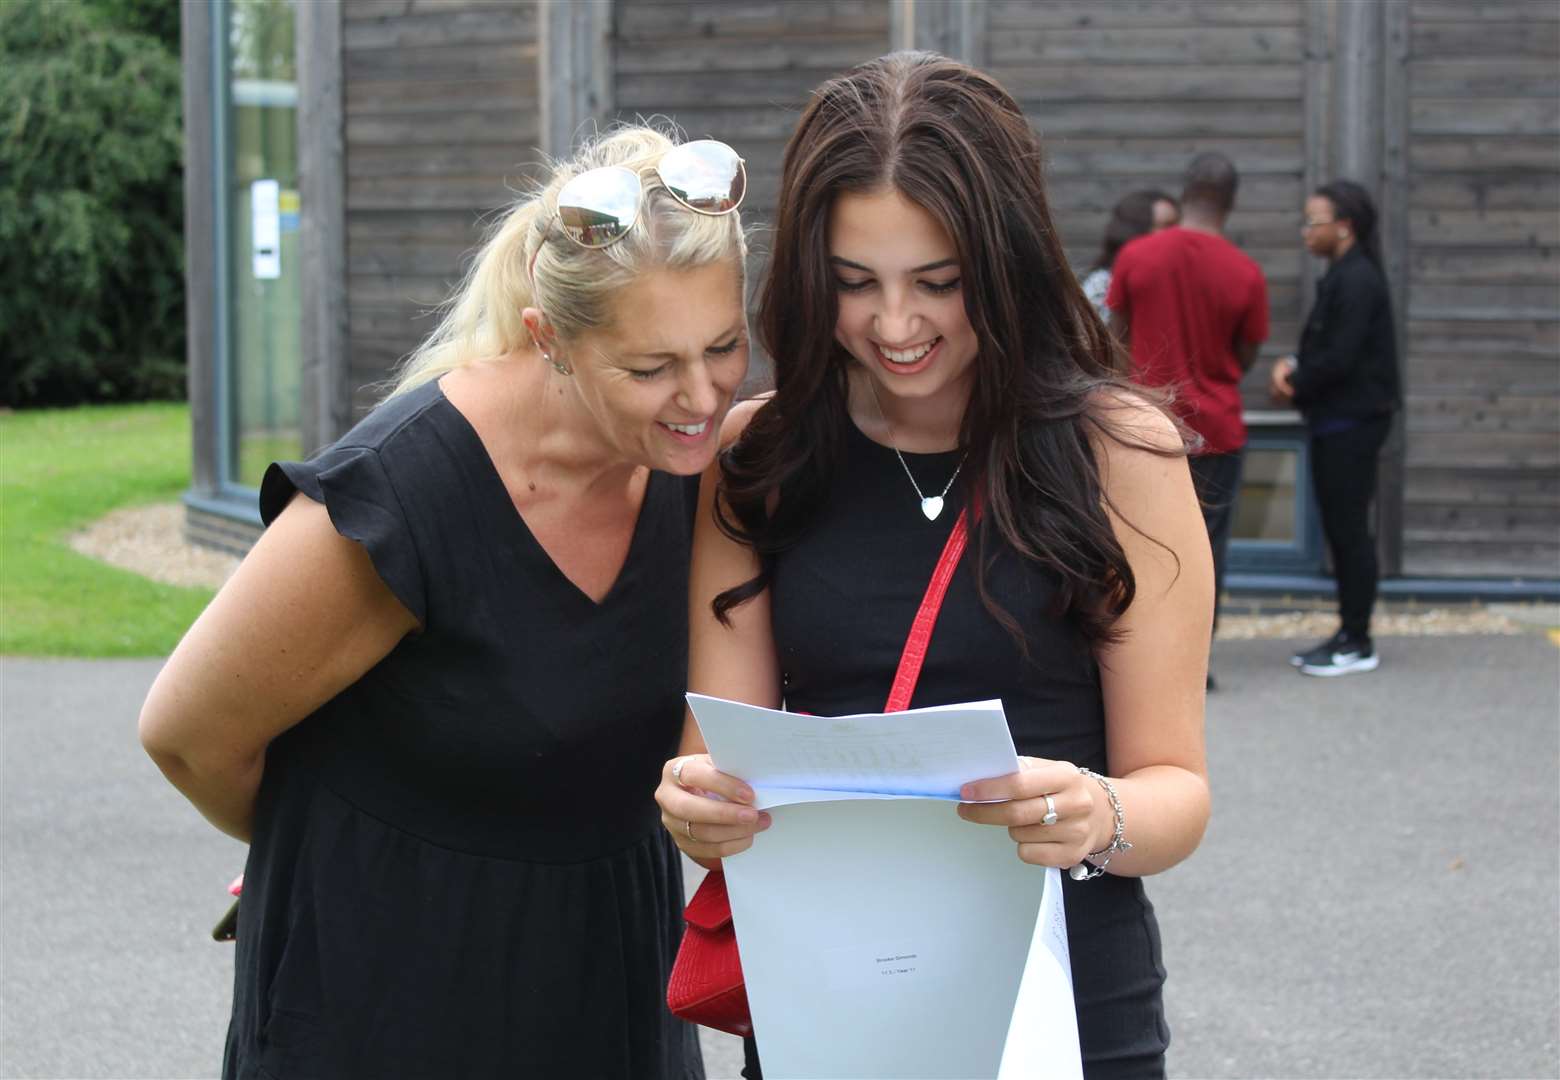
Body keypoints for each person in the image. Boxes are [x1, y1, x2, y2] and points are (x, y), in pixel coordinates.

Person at [138, 127, 752, 1078]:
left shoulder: (699, 469)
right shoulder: (405, 491)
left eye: (724, 346)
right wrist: (340, 849)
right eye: (650, 368)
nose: (701, 395)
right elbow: (186, 733)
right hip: (384, 993)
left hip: (607, 985)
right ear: (550, 342)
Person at [655, 52, 1212, 1079]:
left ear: (1006, 266)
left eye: (939, 284)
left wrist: (1097, 812)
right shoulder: (757, 458)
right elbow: (711, 763)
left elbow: (1176, 791)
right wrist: (697, 805)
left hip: (1063, 997)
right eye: (855, 284)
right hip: (826, 1000)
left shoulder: (1120, 453)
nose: (896, 326)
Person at [1106, 152, 1269, 687]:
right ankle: (1194, 666)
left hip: (1143, 422)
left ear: (1187, 192)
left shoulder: (1137, 255)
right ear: (1230, 202)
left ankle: (1132, 657)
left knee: (1136, 539)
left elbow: (1118, 332)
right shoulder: (1245, 271)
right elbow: (1245, 356)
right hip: (1217, 427)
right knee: (1208, 549)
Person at [1271, 180, 1401, 676]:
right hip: (1338, 421)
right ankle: (1349, 633)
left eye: (1313, 221)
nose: (1306, 231)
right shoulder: (1346, 277)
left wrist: (1295, 381)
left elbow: (1341, 359)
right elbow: (1331, 350)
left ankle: (1357, 640)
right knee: (1343, 529)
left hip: (1351, 422)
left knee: (1349, 532)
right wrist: (1295, 365)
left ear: (1343, 227)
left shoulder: (1357, 280)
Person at [1080, 189, 1180, 323]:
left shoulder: (1178, 280)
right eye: (1166, 226)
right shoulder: (1101, 286)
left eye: (1176, 226)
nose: (1176, 234)